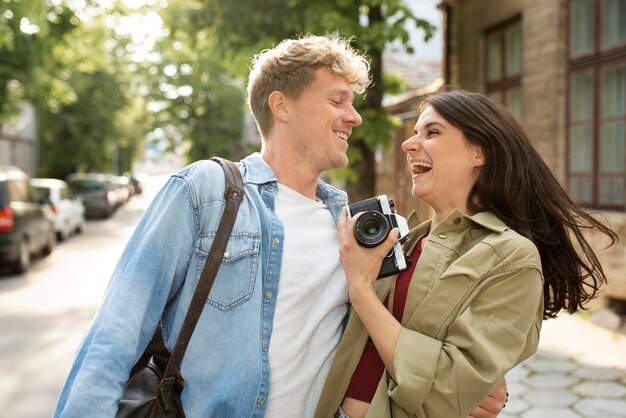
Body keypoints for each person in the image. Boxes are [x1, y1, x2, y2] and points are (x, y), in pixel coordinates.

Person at [54, 37, 507, 417]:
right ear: (282, 106)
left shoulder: (350, 223)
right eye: (336, 101)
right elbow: (113, 338)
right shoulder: (206, 191)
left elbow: (392, 331)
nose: (355, 117)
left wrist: (470, 382)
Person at [313, 90, 619, 418]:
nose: (408, 144)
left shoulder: (512, 256)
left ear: (480, 152)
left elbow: (450, 385)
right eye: (414, 132)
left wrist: (361, 291)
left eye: (432, 132)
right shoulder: (405, 241)